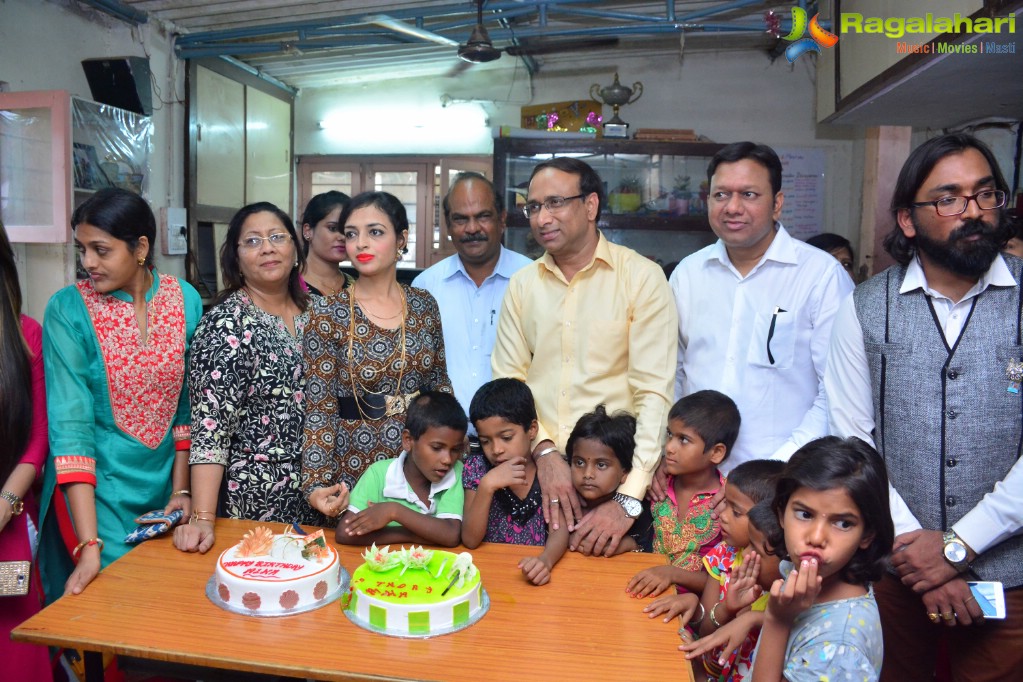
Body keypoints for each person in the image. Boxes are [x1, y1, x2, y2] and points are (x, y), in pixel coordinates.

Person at [825, 132, 1023, 681]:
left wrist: (959, 547)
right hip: (898, 572)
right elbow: (853, 441)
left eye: (986, 195)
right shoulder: (865, 307)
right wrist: (922, 557)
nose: (973, 212)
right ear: (908, 220)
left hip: (1012, 576)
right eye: (948, 198)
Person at [491, 157, 677, 557]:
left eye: (555, 203)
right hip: (535, 477)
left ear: (590, 206)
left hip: (615, 483)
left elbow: (654, 393)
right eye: (534, 206)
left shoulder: (641, 278)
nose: (542, 218)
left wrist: (629, 498)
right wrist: (544, 453)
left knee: (607, 608)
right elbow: (508, 382)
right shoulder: (523, 285)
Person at [38, 188, 202, 598]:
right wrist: (90, 545)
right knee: (113, 601)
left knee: (170, 603)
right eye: (82, 249)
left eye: (101, 249)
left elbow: (187, 406)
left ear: (141, 247)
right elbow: (70, 425)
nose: (88, 262)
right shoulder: (67, 310)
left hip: (168, 488)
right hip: (97, 492)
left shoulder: (186, 299)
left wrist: (181, 490)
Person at [668, 142, 853, 478]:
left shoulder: (820, 276)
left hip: (785, 479)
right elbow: (675, 373)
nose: (732, 207)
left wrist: (777, 469)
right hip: (695, 480)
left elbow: (839, 391)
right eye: (721, 195)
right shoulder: (688, 274)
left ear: (777, 203)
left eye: (749, 195)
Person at [303, 191, 454, 525]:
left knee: (417, 564)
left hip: (418, 459)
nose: (361, 244)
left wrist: (450, 453)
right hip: (353, 460)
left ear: (402, 239)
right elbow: (319, 407)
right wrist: (316, 482)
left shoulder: (423, 305)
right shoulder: (327, 313)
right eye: (352, 234)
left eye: (375, 232)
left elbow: (440, 386)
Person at [174, 202, 314, 556]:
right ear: (235, 259)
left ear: (295, 249)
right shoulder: (226, 325)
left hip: (318, 495)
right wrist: (203, 517)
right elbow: (211, 428)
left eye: (277, 237)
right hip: (256, 498)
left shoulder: (319, 313)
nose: (267, 247)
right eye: (252, 241)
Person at [751, 437, 893, 682]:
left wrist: (776, 621)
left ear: (867, 535)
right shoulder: (805, 578)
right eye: (805, 514)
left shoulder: (838, 650)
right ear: (781, 513)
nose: (816, 538)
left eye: (843, 523)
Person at [412, 173, 532, 423]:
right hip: (444, 444)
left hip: (515, 443)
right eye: (460, 219)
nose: (472, 228)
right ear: (448, 225)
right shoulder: (425, 286)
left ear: (502, 219)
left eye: (483, 216)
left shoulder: (532, 279)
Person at [626, 390, 739, 599]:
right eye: (669, 434)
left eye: (683, 440)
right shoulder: (656, 485)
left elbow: (723, 581)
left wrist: (672, 573)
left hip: (693, 612)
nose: (669, 447)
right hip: (642, 592)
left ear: (716, 452)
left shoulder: (727, 506)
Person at [0, 221, 51, 681]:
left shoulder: (23, 334)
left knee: (14, 644)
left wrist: (6, 503)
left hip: (8, 519)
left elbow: (38, 439)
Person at [461, 378, 568, 586]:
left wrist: (546, 560)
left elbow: (560, 528)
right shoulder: (478, 468)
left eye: (506, 437)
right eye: (485, 441)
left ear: (532, 430)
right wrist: (487, 485)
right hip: (489, 576)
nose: (496, 449)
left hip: (534, 572)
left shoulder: (546, 472)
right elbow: (470, 540)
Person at [337, 391, 465, 547]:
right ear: (408, 440)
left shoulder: (456, 472)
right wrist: (411, 534)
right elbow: (345, 532)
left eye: (455, 450)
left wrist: (394, 512)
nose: (447, 459)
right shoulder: (378, 474)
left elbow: (451, 535)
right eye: (437, 448)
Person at [677, 500, 784, 678]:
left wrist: (699, 675)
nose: (744, 553)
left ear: (789, 564)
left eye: (755, 548)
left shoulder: (782, 611)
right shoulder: (749, 588)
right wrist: (727, 608)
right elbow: (708, 638)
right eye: (747, 543)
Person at [566, 404, 654, 557]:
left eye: (601, 465)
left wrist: (630, 544)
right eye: (579, 462)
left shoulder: (642, 515)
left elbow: (652, 552)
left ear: (625, 472)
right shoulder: (562, 504)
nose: (587, 474)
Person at [300, 190, 353, 297]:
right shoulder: (285, 285)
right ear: (308, 231)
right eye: (333, 228)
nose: (342, 237)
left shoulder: (357, 286)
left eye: (349, 232)